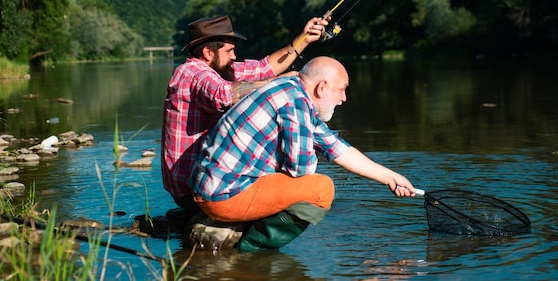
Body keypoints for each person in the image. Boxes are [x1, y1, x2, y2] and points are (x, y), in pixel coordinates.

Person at [190, 56, 417, 252]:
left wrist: (390, 177)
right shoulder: (295, 103)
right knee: (320, 189)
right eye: (342, 89)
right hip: (223, 195)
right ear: (322, 88)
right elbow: (302, 170)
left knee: (300, 179)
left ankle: (243, 228)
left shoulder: (291, 89)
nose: (344, 98)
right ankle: (253, 247)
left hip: (214, 186)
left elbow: (339, 148)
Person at [161, 14, 328, 211]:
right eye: (229, 50)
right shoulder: (191, 73)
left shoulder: (221, 70)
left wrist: (304, 39)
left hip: (208, 180)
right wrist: (280, 85)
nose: (234, 56)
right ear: (207, 52)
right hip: (193, 189)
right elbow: (223, 94)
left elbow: (265, 67)